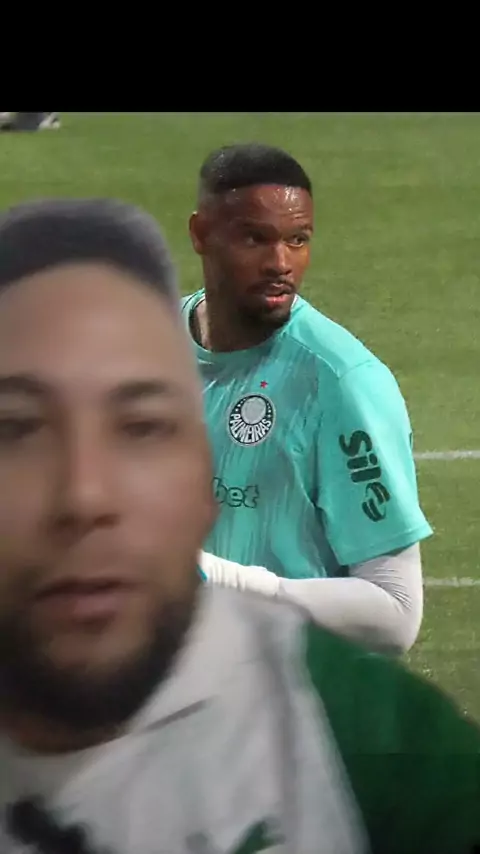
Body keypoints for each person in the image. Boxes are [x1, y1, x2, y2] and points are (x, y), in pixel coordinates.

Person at [0, 198, 478, 854]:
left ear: (203, 486)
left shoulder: (364, 746)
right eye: (19, 430)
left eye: (140, 429)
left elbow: (395, 614)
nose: (84, 494)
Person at [185, 143, 432, 655]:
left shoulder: (343, 382)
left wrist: (222, 583)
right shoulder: (145, 345)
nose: (281, 263)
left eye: (297, 240)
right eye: (255, 238)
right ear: (202, 234)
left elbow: (395, 613)